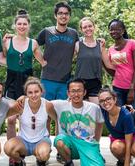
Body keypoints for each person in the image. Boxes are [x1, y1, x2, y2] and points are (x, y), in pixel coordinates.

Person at [3, 9, 47, 165]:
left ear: (29, 26)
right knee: (11, 119)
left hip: (28, 82)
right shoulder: (7, 42)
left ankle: (30, 149)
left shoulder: (33, 43)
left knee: (25, 117)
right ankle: (13, 156)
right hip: (12, 80)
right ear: (15, 25)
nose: (22, 26)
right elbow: (1, 59)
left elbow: (43, 62)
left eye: (25, 24)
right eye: (19, 24)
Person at [36, 2, 79, 161]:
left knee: (62, 118)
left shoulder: (73, 33)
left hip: (65, 81)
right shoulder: (46, 32)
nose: (63, 16)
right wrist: (41, 61)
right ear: (55, 15)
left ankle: (61, 151)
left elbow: (79, 49)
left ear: (69, 16)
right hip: (47, 79)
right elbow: (33, 45)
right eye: (60, 13)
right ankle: (44, 149)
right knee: (45, 116)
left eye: (66, 13)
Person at [4, 77, 56, 166]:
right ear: (26, 93)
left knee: (44, 155)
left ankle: (41, 159)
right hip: (23, 141)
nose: (33, 95)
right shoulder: (21, 104)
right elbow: (6, 115)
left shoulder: (47, 105)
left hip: (41, 140)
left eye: (36, 91)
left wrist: (56, 140)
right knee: (8, 148)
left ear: (41, 92)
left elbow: (57, 120)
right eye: (30, 92)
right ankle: (19, 161)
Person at [51, 78, 104, 166]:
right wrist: (24, 97)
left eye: (79, 91)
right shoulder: (61, 104)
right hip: (71, 144)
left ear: (84, 92)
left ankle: (95, 155)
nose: (76, 94)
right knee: (59, 140)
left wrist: (96, 142)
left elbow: (100, 123)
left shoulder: (94, 108)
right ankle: (68, 162)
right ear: (68, 93)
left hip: (88, 144)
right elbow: (42, 103)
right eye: (73, 91)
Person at [102, 19, 135, 129]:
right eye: (111, 30)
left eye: (117, 29)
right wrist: (101, 59)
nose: (114, 32)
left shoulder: (133, 44)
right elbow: (113, 71)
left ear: (123, 30)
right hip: (118, 89)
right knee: (120, 118)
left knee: (131, 117)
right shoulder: (110, 49)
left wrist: (132, 89)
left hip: (133, 88)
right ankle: (122, 144)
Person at [98, 88, 135, 166]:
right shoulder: (102, 110)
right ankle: (121, 160)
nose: (105, 102)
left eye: (108, 99)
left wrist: (127, 164)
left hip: (132, 139)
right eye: (102, 101)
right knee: (116, 147)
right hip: (118, 140)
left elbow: (128, 143)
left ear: (115, 99)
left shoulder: (126, 115)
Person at [74, 17, 107, 104]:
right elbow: (66, 61)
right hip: (80, 83)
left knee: (95, 111)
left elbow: (108, 64)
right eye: (85, 27)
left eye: (90, 26)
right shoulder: (77, 44)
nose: (88, 29)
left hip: (95, 82)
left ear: (94, 27)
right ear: (81, 30)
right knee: (80, 113)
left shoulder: (100, 44)